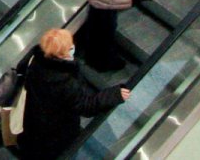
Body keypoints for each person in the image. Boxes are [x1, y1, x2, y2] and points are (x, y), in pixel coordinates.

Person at [14, 28, 129, 160]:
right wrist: (113, 95)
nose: (73, 47)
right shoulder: (65, 82)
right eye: (69, 47)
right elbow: (86, 106)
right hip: (57, 134)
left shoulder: (36, 61)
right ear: (61, 54)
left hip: (34, 124)